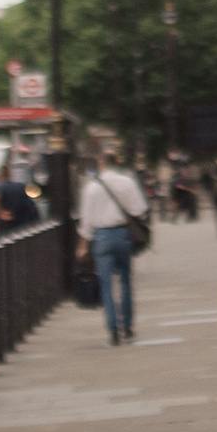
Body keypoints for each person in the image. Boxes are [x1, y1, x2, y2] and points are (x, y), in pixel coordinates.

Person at [75, 146, 147, 343]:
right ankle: (128, 325)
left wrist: (83, 245)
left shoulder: (92, 186)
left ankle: (113, 329)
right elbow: (140, 209)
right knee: (125, 281)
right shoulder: (128, 182)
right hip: (123, 234)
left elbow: (86, 220)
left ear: (101, 163)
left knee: (106, 283)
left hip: (102, 236)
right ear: (118, 163)